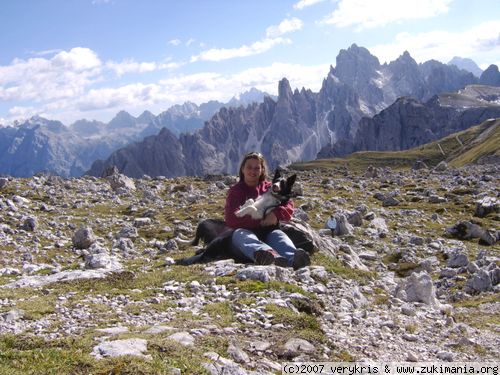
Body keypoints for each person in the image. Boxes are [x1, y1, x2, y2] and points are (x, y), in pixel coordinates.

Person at [224, 152, 311, 269]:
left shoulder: (270, 187)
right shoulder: (236, 191)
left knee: (279, 236)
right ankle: (270, 256)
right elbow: (231, 219)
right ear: (243, 169)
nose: (253, 171)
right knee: (241, 235)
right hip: (245, 231)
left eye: (257, 168)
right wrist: (260, 221)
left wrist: (276, 214)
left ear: (262, 170)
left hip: (268, 231)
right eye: (249, 167)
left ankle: (294, 260)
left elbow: (288, 203)